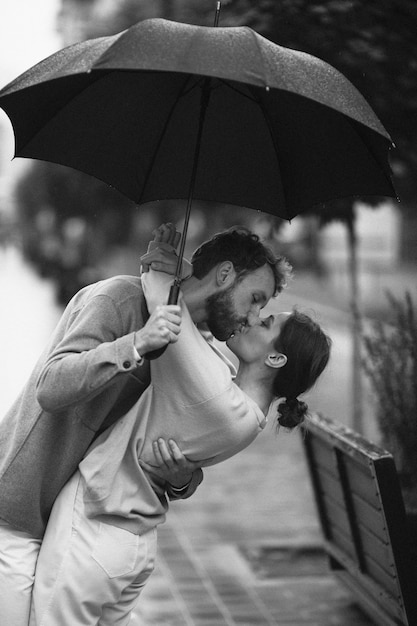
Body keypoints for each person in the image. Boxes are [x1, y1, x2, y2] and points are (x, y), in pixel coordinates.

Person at [29, 226, 331, 626]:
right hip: (132, 545)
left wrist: (162, 261)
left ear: (275, 360)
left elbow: (163, 301)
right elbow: (202, 320)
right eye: (257, 304)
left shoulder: (212, 389)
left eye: (266, 318)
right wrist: (200, 274)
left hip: (95, 528)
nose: (254, 317)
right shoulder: (238, 403)